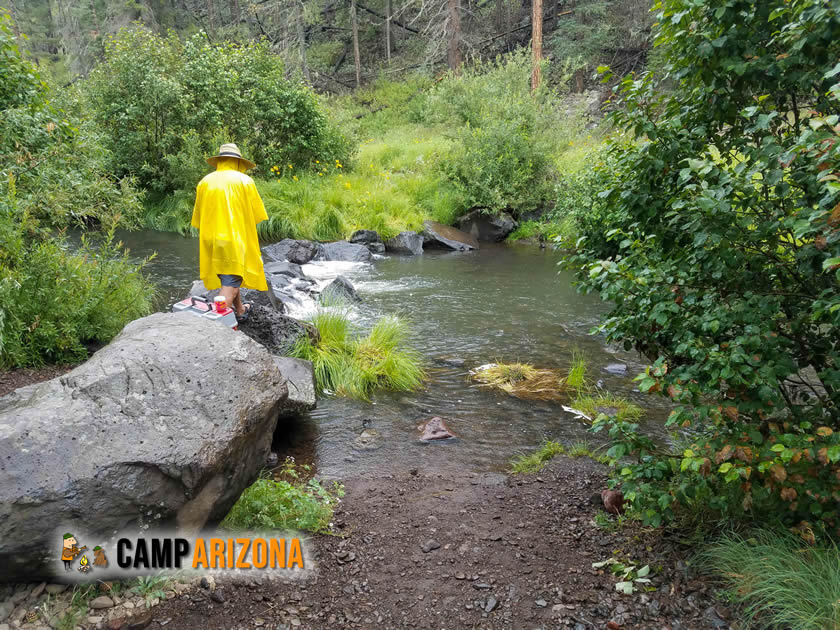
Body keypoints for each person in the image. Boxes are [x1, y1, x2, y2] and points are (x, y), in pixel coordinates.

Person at [191, 143, 268, 321]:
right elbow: (257, 214)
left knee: (230, 276)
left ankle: (240, 310)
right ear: (238, 162)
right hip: (232, 239)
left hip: (210, 239)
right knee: (230, 285)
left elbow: (198, 217)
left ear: (220, 161)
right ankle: (218, 327)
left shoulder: (205, 181)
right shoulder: (245, 181)